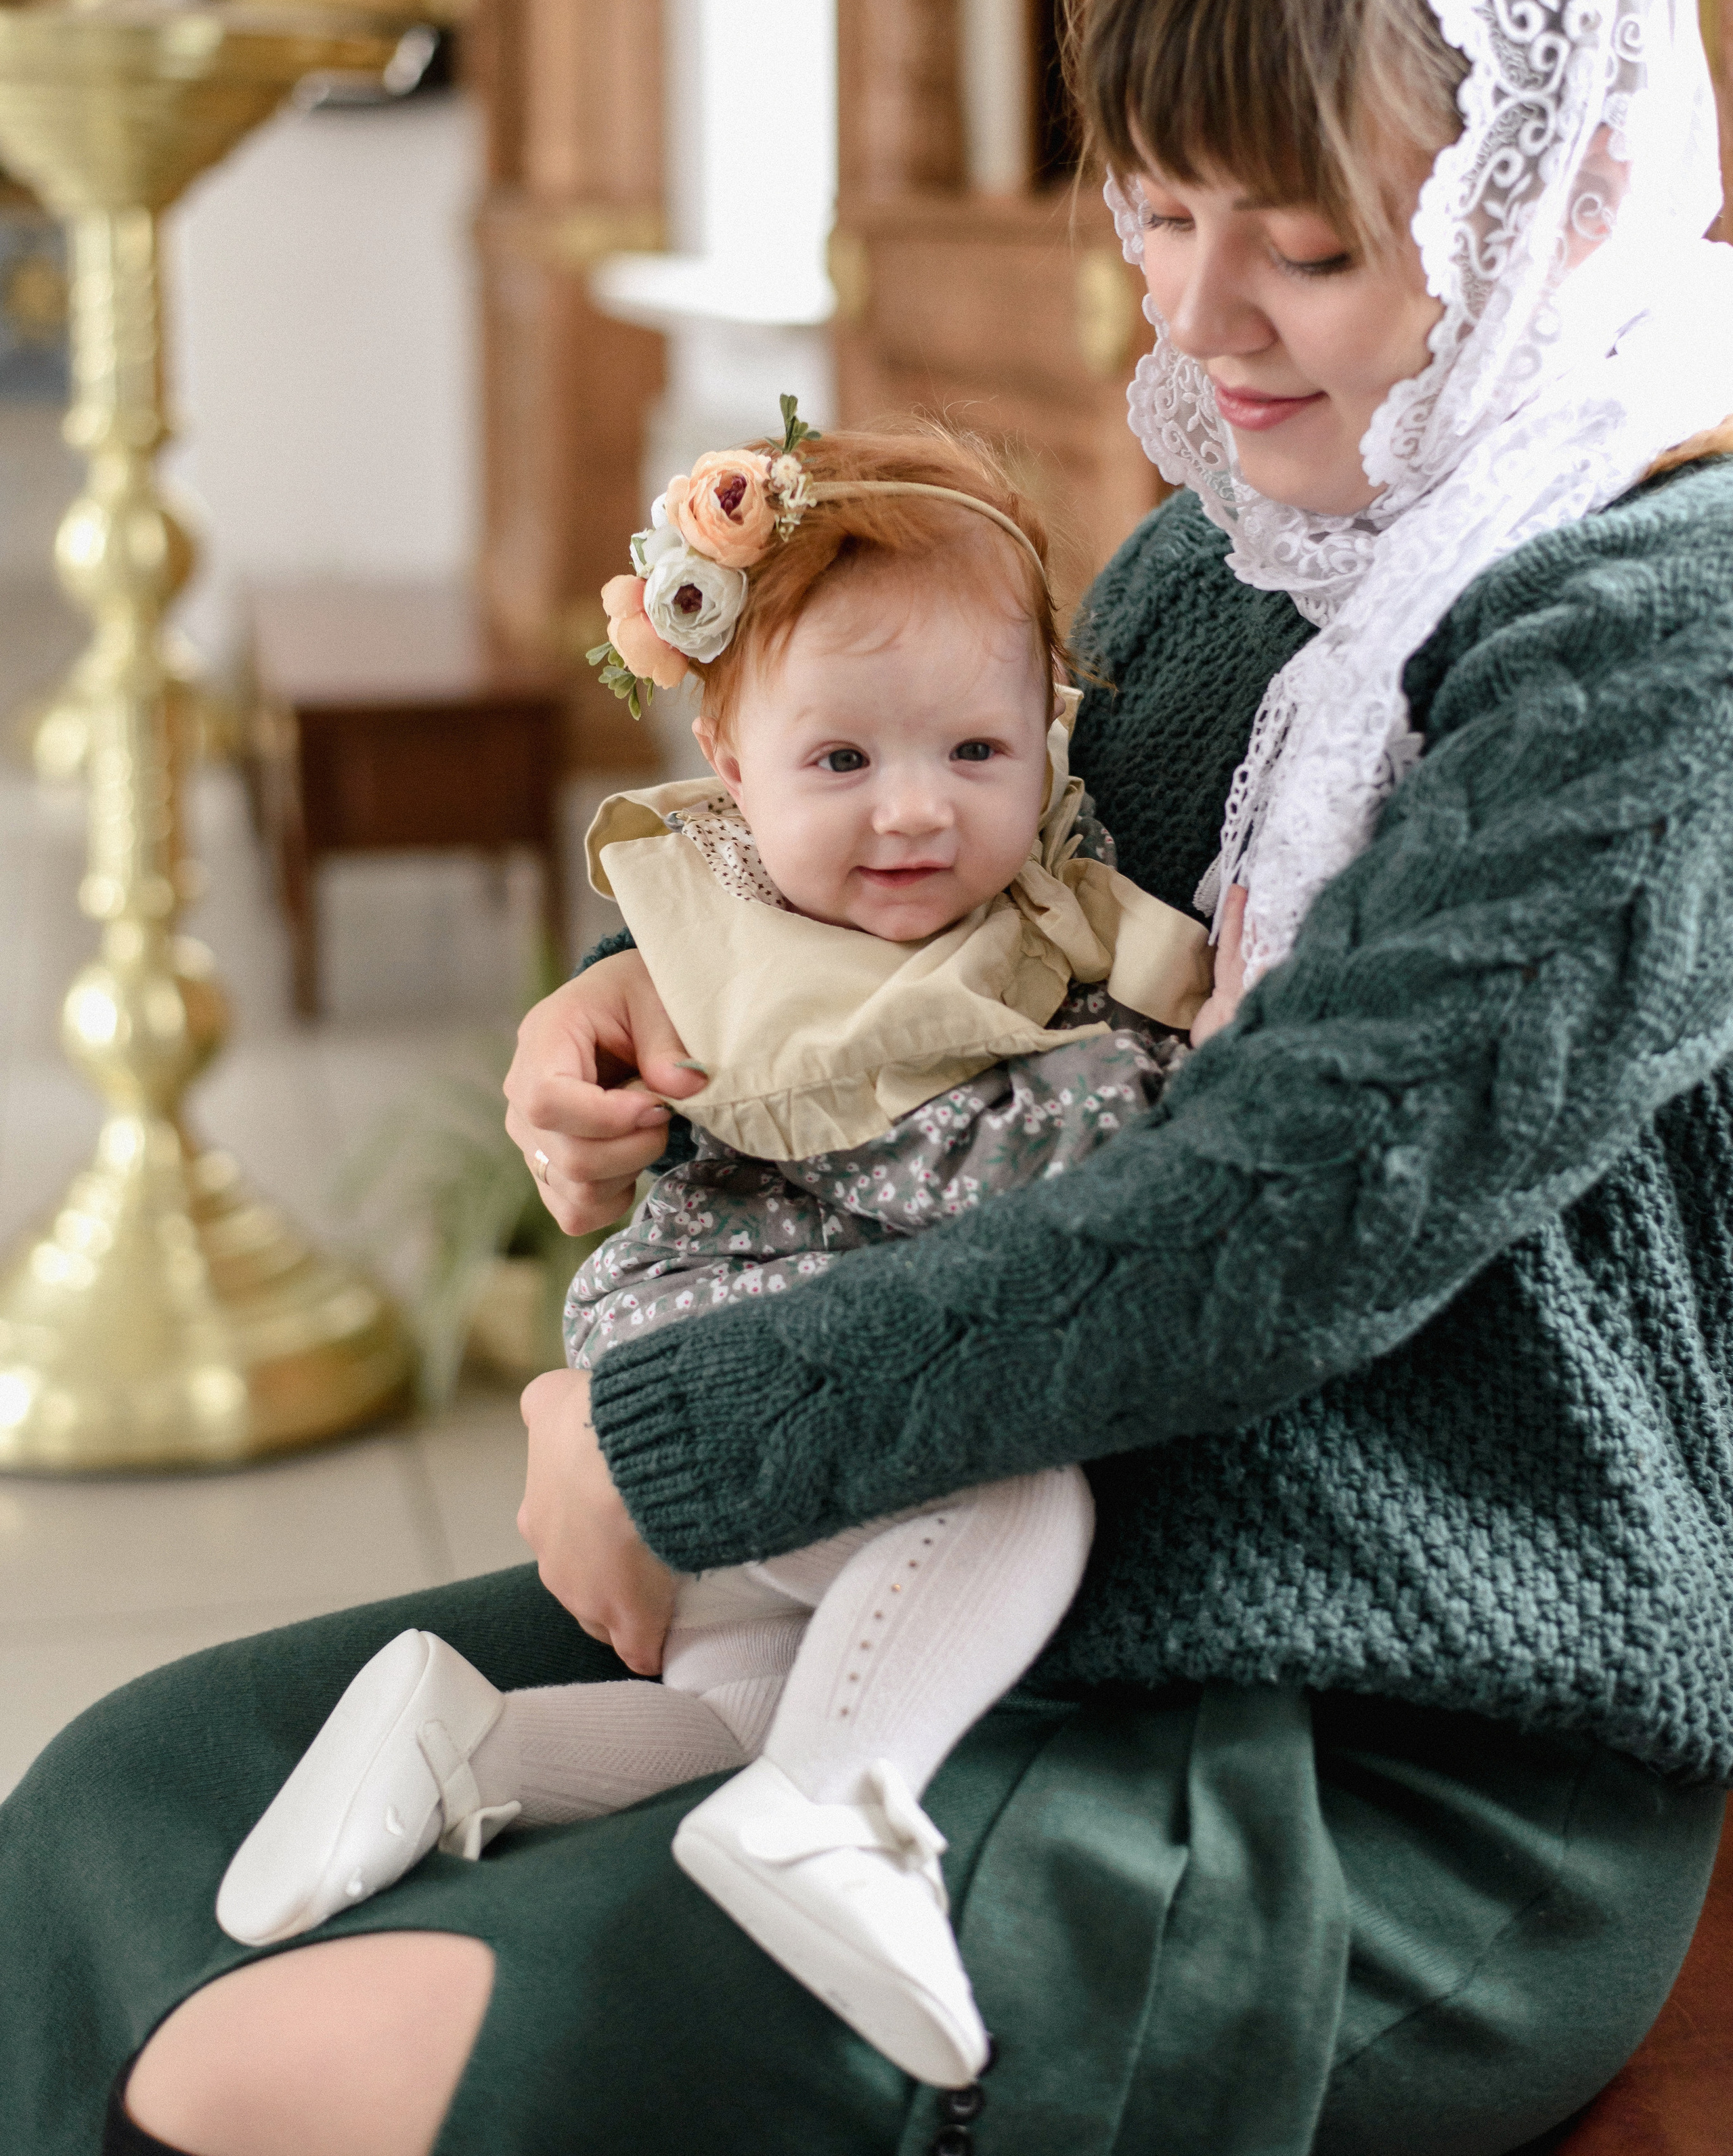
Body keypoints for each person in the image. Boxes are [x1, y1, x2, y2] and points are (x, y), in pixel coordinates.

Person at [9, 0, 1733, 2156]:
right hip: (968, 1572)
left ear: (1552, 201)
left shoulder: (1663, 631)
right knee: (117, 1818)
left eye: (1311, 243)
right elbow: (975, 957)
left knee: (306, 2062)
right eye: (1156, 210)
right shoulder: (1238, 551)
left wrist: (672, 1433)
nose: (1210, 322)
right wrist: (654, 1002)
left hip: (1389, 1731)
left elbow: (1280, 1226)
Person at [209, 421, 1214, 2091]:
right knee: (1018, 1503)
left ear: (1045, 733)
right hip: (755, 1372)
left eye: (975, 749)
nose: (913, 813)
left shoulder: (941, 890)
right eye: (842, 765)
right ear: (726, 763)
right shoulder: (798, 997)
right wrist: (1199, 1070)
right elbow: (966, 1166)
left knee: (745, 1710)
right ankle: (843, 1819)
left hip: (734, 1392)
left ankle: (463, 1746)